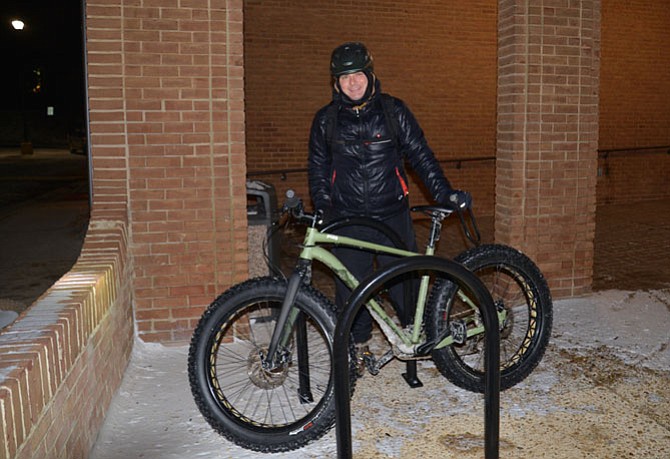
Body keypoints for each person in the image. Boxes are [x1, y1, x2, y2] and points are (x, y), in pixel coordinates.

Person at [307, 42, 470, 371]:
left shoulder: (394, 111)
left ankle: (415, 338)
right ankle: (359, 346)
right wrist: (323, 207)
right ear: (336, 83)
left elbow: (421, 156)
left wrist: (443, 192)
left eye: (358, 75)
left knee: (403, 284)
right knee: (350, 288)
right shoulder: (326, 121)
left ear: (370, 75)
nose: (353, 83)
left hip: (392, 214)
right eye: (345, 77)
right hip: (348, 217)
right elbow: (318, 170)